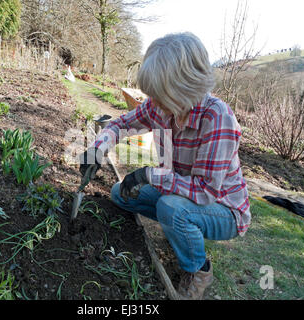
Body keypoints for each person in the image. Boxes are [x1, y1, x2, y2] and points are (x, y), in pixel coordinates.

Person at [79, 32, 251, 300]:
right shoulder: (160, 108)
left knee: (171, 209)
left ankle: (199, 269)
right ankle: (181, 230)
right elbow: (121, 124)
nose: (153, 103)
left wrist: (150, 175)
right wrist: (99, 147)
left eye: (159, 95)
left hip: (224, 209)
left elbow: (205, 192)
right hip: (180, 194)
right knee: (119, 193)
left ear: (183, 88)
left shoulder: (217, 119)